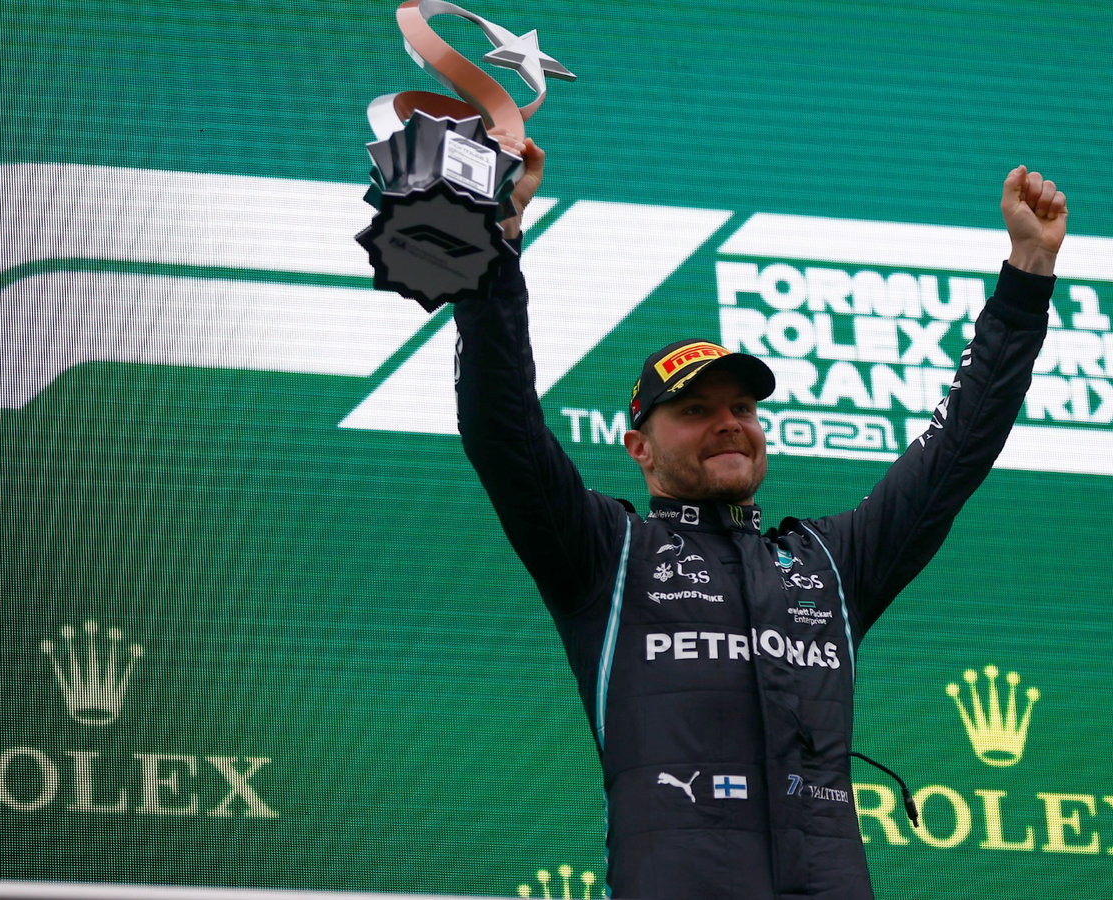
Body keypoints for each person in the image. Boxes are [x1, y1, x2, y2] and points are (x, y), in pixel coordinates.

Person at [455, 132, 1066, 900]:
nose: (729, 424)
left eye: (742, 407)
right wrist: (499, 242)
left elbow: (959, 447)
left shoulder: (830, 561)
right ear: (640, 448)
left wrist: (1028, 272)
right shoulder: (606, 554)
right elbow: (502, 428)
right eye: (695, 411)